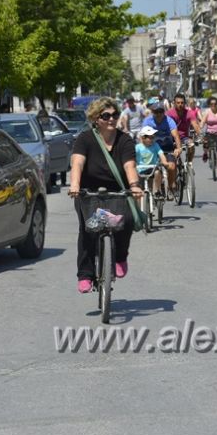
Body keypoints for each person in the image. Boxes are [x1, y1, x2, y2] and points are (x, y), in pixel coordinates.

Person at [68, 97, 144, 294]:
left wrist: (134, 185)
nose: (111, 119)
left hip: (117, 192)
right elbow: (77, 163)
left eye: (115, 115)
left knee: (125, 220)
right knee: (88, 230)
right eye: (106, 116)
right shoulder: (85, 139)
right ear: (95, 118)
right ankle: (85, 274)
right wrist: (75, 184)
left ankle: (119, 257)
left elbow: (129, 165)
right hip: (89, 193)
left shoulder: (124, 139)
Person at [141, 102, 182, 199]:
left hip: (168, 148)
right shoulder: (147, 121)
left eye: (161, 111)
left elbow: (176, 136)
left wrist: (178, 148)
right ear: (152, 112)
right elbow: (142, 136)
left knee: (171, 167)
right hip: (153, 150)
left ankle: (171, 187)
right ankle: (155, 190)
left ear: (164, 112)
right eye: (156, 112)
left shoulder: (169, 121)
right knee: (153, 170)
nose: (159, 114)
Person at [166, 93, 201, 163]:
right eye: (178, 103)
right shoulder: (169, 113)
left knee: (191, 144)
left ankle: (189, 163)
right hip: (171, 138)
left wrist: (200, 135)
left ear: (185, 103)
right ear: (174, 103)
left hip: (183, 138)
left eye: (182, 103)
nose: (180, 104)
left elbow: (195, 126)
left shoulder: (189, 113)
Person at [136, 125, 169, 198]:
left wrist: (164, 162)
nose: (152, 139)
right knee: (141, 189)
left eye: (153, 137)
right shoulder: (138, 147)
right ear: (143, 138)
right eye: (150, 137)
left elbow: (161, 154)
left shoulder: (155, 145)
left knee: (158, 172)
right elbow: (132, 157)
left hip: (153, 168)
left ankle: (157, 190)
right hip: (141, 170)